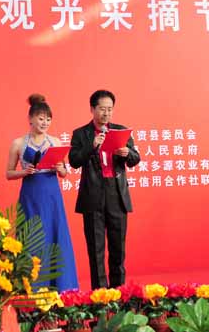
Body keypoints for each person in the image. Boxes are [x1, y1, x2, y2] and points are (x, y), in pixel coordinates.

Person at [6, 93, 79, 291]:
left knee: (55, 234)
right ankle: (31, 287)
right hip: (30, 194)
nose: (45, 122)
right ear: (30, 119)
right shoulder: (18, 143)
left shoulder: (55, 142)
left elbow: (64, 173)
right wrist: (24, 172)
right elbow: (8, 173)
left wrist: (60, 168)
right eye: (41, 118)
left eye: (48, 119)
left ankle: (61, 287)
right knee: (31, 238)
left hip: (52, 195)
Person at [68, 90, 140, 289]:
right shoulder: (81, 134)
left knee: (118, 248)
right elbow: (74, 161)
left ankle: (119, 292)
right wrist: (92, 146)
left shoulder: (121, 131)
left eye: (110, 109)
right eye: (102, 109)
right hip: (93, 196)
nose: (106, 113)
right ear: (92, 109)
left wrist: (127, 153)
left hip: (116, 194)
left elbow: (135, 159)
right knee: (96, 249)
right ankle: (100, 295)